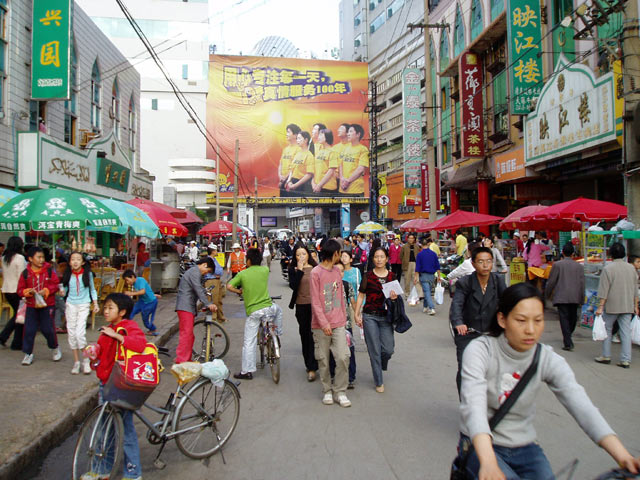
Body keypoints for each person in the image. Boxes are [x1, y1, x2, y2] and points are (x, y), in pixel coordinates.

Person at [458, 283, 640, 479]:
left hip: (525, 448)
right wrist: (488, 462)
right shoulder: (480, 350)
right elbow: (473, 406)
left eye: (538, 320)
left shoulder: (546, 358)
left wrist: (623, 456)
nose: (530, 330)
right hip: (481, 444)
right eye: (521, 320)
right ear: (502, 319)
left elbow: (581, 405)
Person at [86, 293, 147, 480]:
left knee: (126, 429)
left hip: (122, 386)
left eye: (110, 308)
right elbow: (102, 358)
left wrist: (118, 337)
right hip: (105, 384)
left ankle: (133, 472)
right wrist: (94, 354)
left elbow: (140, 344)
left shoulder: (129, 327)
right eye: (105, 308)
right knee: (104, 429)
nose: (105, 311)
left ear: (122, 312)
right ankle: (101, 469)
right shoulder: (106, 331)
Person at [449, 246, 506, 394]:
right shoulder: (465, 282)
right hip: (469, 333)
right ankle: (466, 401)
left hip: (492, 334)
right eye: (481, 261)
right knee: (465, 369)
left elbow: (507, 304)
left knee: (494, 371)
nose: (485, 265)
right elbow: (457, 305)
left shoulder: (498, 280)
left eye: (489, 261)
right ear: (473, 264)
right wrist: (459, 323)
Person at [227, 248, 283, 380]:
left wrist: (239, 291)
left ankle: (247, 371)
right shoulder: (264, 271)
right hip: (269, 307)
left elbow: (229, 286)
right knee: (278, 311)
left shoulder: (243, 274)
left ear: (249, 260)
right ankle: (277, 334)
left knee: (249, 342)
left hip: (254, 311)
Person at [310, 239, 351, 407]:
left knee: (343, 356)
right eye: (339, 253)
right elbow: (315, 301)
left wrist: (344, 317)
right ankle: (327, 390)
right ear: (334, 254)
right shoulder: (315, 273)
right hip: (321, 324)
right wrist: (324, 323)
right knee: (323, 359)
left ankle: (340, 390)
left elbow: (340, 296)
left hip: (339, 322)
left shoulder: (336, 271)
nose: (341, 256)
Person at [354, 247, 397, 393]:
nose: (379, 259)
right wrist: (356, 313)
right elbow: (361, 295)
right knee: (374, 350)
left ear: (386, 259)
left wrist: (394, 298)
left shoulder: (392, 276)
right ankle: (379, 381)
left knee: (388, 349)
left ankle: (382, 363)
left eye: (382, 257)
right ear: (373, 259)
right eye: (376, 257)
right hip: (370, 315)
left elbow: (397, 298)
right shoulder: (368, 276)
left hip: (386, 317)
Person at [594, 242, 638, 368]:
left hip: (612, 306)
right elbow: (635, 290)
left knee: (607, 330)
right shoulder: (631, 269)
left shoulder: (608, 269)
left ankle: (606, 356)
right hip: (627, 305)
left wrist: (600, 306)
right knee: (625, 332)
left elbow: (604, 290)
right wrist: (635, 306)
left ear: (611, 254)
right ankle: (625, 359)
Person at [18, 246, 61, 366]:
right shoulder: (25, 273)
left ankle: (54, 347)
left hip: (47, 305)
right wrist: (27, 292)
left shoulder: (49, 271)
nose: (41, 260)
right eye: (39, 257)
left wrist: (46, 290)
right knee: (29, 330)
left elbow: (56, 285)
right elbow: (19, 290)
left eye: (42, 257)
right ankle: (28, 353)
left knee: (48, 329)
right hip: (31, 305)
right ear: (30, 259)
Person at [175, 258, 218, 363]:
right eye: (207, 271)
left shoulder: (194, 272)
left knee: (189, 335)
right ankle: (181, 360)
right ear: (204, 265)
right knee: (186, 334)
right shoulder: (195, 272)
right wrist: (207, 304)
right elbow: (198, 288)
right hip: (185, 306)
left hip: (188, 306)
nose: (205, 273)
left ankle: (186, 358)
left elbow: (199, 289)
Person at [62, 252, 99, 374]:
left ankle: (86, 360)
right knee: (71, 334)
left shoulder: (87, 275)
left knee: (80, 334)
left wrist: (96, 304)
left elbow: (92, 290)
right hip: (70, 305)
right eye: (73, 259)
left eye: (78, 259)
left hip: (83, 305)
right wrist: (62, 291)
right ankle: (76, 362)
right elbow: (65, 290)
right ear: (69, 262)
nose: (75, 262)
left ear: (83, 262)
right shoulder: (68, 274)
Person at [545, 243, 585, 351]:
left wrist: (546, 295)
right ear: (573, 254)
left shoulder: (557, 265)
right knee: (572, 318)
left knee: (564, 319)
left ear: (562, 253)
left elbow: (551, 282)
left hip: (561, 296)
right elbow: (582, 283)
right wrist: (582, 297)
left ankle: (567, 339)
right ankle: (568, 338)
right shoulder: (579, 267)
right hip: (575, 296)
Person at [288, 243, 319, 381]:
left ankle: (322, 363)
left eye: (304, 254)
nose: (301, 257)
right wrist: (299, 271)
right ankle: (311, 367)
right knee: (306, 336)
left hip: (316, 306)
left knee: (318, 336)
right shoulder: (293, 269)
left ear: (308, 254)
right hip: (301, 306)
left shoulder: (316, 268)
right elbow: (293, 286)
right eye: (298, 255)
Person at [332, 261, 357, 389]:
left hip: (346, 324)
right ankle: (333, 375)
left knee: (349, 350)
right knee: (333, 351)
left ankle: (351, 377)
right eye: (336, 270)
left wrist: (357, 315)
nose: (339, 273)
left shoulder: (347, 285)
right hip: (333, 325)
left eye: (341, 271)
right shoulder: (328, 287)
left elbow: (353, 302)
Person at [0, 237, 26, 349]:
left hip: (7, 290)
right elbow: (23, 276)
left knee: (19, 315)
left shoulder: (4, 258)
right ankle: (11, 340)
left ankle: (14, 341)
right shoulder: (20, 258)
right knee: (20, 316)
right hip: (18, 290)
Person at [122, 269, 159, 336]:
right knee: (131, 311)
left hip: (150, 302)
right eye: (126, 281)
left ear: (132, 277)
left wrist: (131, 293)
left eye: (127, 280)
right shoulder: (134, 283)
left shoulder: (140, 280)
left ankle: (153, 329)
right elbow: (147, 290)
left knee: (145, 318)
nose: (127, 282)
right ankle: (125, 327)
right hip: (142, 300)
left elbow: (143, 291)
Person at [339, 124, 369, 196]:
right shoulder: (344, 148)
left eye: (350, 131)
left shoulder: (363, 149)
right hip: (342, 189)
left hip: (356, 190)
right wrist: (341, 179)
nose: (348, 134)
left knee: (355, 207)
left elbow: (361, 169)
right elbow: (340, 165)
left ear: (358, 134)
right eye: (348, 132)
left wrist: (348, 181)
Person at [414, 238, 441, 315]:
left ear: (421, 245)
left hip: (424, 275)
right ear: (428, 244)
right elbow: (437, 266)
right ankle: (425, 307)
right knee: (427, 291)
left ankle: (431, 308)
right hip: (432, 276)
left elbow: (417, 267)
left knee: (427, 292)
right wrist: (439, 276)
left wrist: (416, 277)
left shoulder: (420, 255)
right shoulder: (433, 254)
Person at [311, 128, 339, 195]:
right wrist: (313, 183)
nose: (318, 137)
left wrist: (319, 185)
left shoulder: (332, 152)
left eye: (321, 135)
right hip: (316, 187)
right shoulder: (319, 151)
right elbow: (314, 169)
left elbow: (331, 171)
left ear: (327, 137)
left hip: (328, 188)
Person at [204, 245, 226, 323]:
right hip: (211, 281)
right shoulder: (209, 260)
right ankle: (213, 317)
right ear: (213, 251)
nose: (217, 252)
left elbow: (220, 271)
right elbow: (216, 271)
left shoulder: (214, 259)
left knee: (219, 299)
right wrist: (216, 273)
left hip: (217, 280)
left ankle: (220, 317)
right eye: (216, 250)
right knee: (213, 300)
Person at [278, 123, 301, 196]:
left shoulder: (299, 149)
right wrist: (280, 176)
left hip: (291, 182)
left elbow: (294, 167)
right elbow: (280, 164)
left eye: (288, 132)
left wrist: (285, 179)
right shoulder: (285, 149)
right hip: (283, 182)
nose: (286, 134)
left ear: (295, 135)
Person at [400, 233, 419, 297]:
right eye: (409, 238)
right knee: (407, 280)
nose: (411, 239)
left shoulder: (417, 246)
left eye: (412, 238)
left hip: (415, 264)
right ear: (407, 239)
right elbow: (400, 256)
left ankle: (416, 293)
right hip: (407, 264)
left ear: (414, 239)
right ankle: (407, 293)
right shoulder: (404, 247)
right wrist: (404, 261)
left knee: (416, 279)